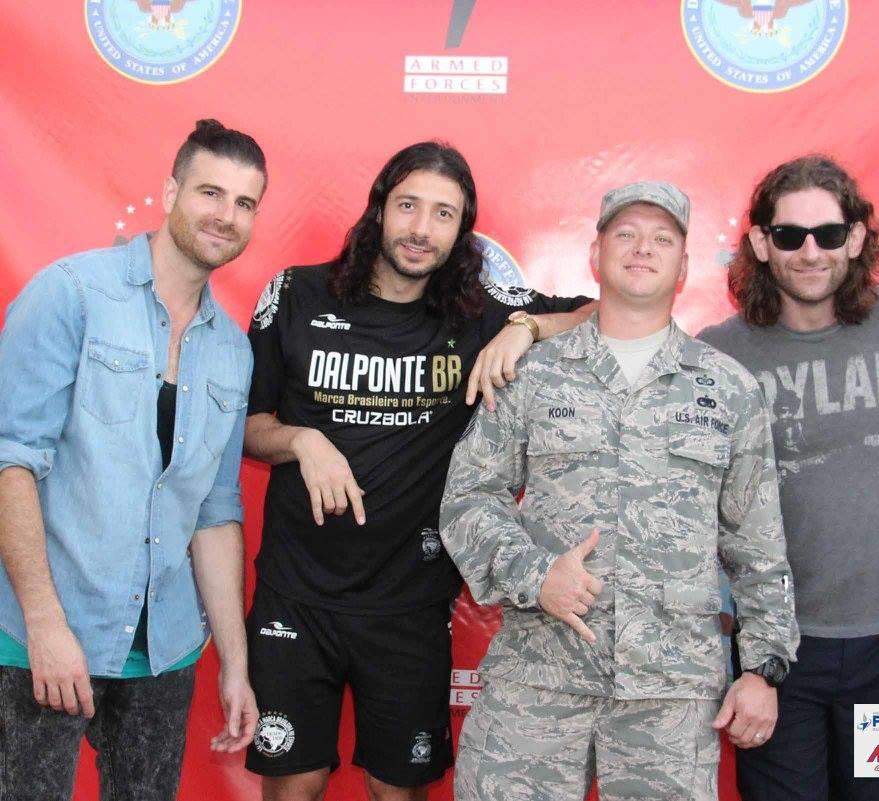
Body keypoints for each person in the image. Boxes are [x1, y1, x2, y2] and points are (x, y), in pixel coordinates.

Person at [242, 141, 593, 801]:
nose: (421, 228)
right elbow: (246, 426)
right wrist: (302, 440)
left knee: (396, 788)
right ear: (379, 209)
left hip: (410, 601)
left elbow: (605, 312)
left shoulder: (477, 312)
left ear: (462, 232)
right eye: (408, 206)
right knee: (295, 782)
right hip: (296, 593)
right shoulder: (296, 293)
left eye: (443, 214)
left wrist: (524, 328)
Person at [440, 181, 799, 801]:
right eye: (626, 233)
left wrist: (763, 669)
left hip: (670, 696)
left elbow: (758, 544)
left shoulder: (728, 389)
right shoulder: (533, 374)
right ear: (595, 253)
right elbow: (469, 496)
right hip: (539, 680)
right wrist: (536, 574)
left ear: (683, 267)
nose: (642, 248)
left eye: (663, 239)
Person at [0, 119, 265, 801]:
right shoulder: (71, 293)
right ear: (171, 192)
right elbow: (10, 464)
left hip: (164, 650)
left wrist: (235, 664)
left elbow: (215, 511)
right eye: (211, 192)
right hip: (44, 638)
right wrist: (45, 625)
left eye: (244, 203)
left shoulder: (233, 351)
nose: (226, 215)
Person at [699, 155, 879, 801]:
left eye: (828, 234)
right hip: (776, 651)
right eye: (789, 235)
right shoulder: (718, 354)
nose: (810, 252)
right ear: (760, 243)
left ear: (855, 238)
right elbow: (695, 505)